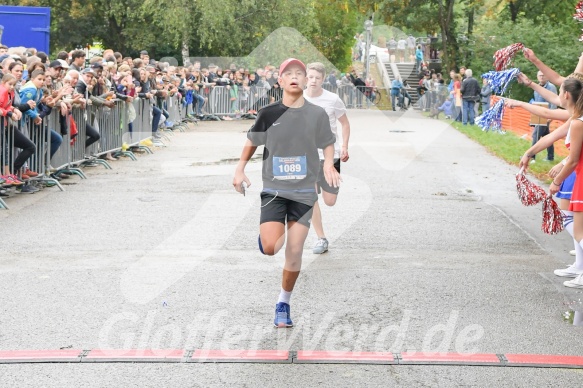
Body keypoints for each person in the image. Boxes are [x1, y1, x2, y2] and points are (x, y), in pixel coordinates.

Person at [232, 58, 340, 327]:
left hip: (304, 191)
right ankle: (267, 239)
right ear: (279, 82)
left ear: (306, 81)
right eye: (288, 74)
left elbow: (328, 144)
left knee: (294, 250)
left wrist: (329, 163)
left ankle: (283, 303)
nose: (295, 77)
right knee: (270, 248)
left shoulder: (316, 114)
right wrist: (239, 169)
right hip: (275, 189)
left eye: (300, 74)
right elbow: (251, 142)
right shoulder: (268, 113)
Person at [303, 62, 350, 254]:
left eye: (317, 78)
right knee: (310, 196)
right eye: (311, 76)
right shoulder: (298, 98)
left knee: (330, 200)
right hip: (307, 156)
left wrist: (345, 146)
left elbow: (345, 124)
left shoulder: (333, 100)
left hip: (331, 155)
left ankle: (323, 187)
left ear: (323, 80)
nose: (313, 81)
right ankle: (321, 238)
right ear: (306, 77)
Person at [547, 77, 583, 289]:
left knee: (579, 232)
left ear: (566, 95)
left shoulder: (578, 123)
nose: (559, 95)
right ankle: (579, 268)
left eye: (560, 91)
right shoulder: (577, 120)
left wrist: (557, 181)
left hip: (581, 178)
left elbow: (573, 159)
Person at [530, 70, 558, 162]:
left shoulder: (551, 87)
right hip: (538, 114)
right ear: (537, 77)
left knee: (535, 135)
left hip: (546, 115)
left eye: (543, 75)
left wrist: (552, 116)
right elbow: (536, 102)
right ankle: (550, 157)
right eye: (540, 75)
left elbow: (554, 101)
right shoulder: (536, 87)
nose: (541, 77)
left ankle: (531, 156)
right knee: (547, 136)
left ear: (546, 77)